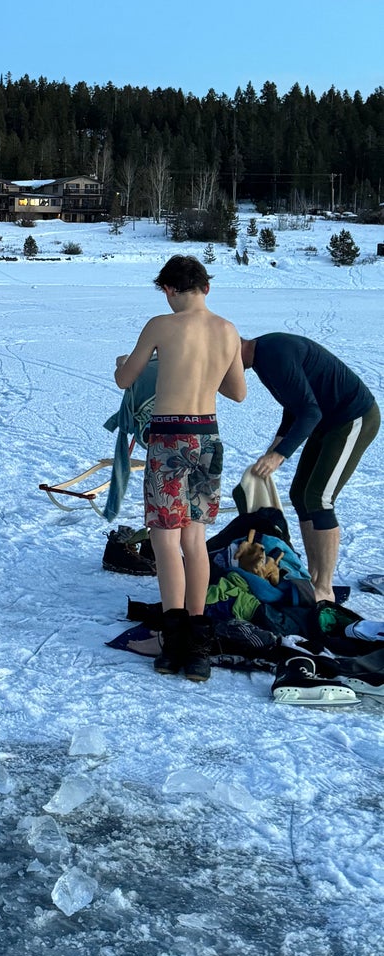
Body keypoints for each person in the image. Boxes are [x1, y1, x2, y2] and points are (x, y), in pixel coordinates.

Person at [114, 255, 246, 675]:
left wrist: (124, 365)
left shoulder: (161, 325)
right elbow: (237, 392)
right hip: (207, 436)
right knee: (195, 538)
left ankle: (173, 642)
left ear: (169, 290)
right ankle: (198, 646)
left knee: (166, 539)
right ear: (206, 288)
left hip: (169, 437)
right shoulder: (227, 330)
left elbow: (125, 378)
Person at [241, 333, 378, 602]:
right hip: (324, 422)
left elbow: (309, 411)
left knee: (319, 498)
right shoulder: (262, 358)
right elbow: (294, 404)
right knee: (300, 495)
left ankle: (324, 589)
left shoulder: (273, 353)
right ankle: (313, 578)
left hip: (352, 418)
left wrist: (280, 455)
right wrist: (275, 446)